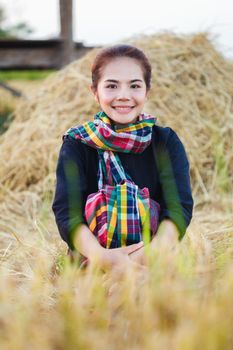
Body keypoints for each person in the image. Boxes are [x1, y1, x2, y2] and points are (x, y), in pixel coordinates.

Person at [52, 44, 193, 274]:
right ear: (95, 91)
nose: (124, 96)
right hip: (92, 262)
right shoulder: (77, 143)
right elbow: (68, 213)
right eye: (111, 86)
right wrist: (105, 258)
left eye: (135, 85)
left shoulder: (165, 141)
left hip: (155, 261)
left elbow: (178, 209)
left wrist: (142, 259)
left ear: (147, 90)